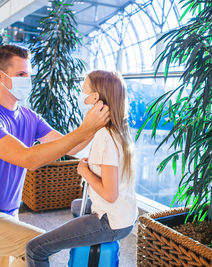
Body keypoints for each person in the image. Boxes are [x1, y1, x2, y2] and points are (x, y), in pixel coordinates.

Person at [0, 45, 110, 267]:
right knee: (36, 245)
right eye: (21, 75)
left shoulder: (29, 117)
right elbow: (28, 158)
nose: (27, 80)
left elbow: (71, 146)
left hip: (8, 212)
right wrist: (85, 129)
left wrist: (100, 119)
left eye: (28, 74)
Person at [25, 70, 138, 267]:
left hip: (110, 222)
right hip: (127, 215)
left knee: (35, 248)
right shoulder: (121, 128)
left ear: (96, 97)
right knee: (77, 206)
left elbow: (110, 195)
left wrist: (85, 172)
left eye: (84, 89)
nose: (81, 93)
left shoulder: (105, 135)